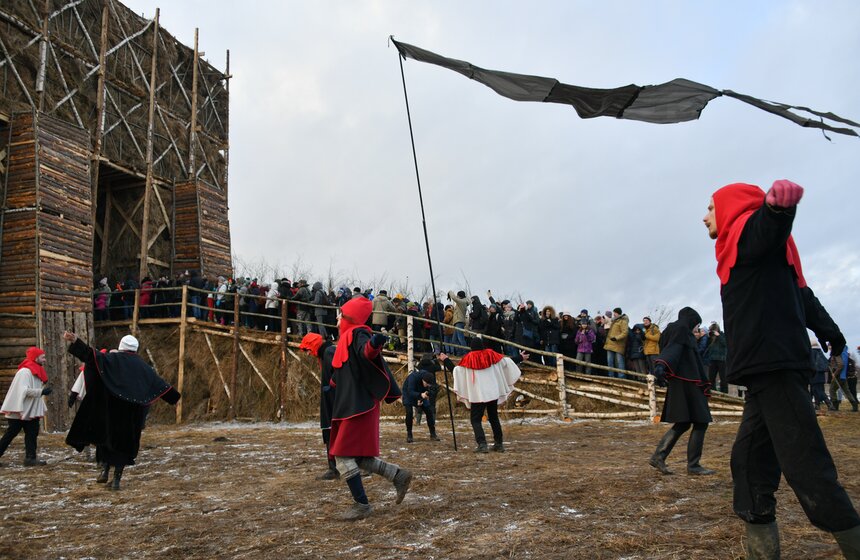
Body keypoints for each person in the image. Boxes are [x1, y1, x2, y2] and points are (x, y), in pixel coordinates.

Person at [703, 180, 860, 556]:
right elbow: (804, 297)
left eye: (710, 207)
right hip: (763, 372)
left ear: (730, 208)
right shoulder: (752, 256)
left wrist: (777, 210)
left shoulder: (748, 232)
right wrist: (834, 336)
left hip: (775, 366)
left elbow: (765, 231)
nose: (704, 215)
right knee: (749, 464)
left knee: (808, 469)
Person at [328, 297, 412, 520]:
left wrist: (375, 344)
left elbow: (366, 352)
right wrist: (333, 385)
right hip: (351, 405)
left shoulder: (358, 333)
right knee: (358, 457)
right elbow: (345, 370)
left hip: (359, 406)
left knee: (343, 456)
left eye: (340, 314)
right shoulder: (344, 339)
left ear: (349, 317)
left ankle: (361, 505)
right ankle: (398, 475)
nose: (337, 318)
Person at [63, 332, 181, 490]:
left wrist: (76, 341)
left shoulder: (111, 359)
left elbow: (91, 355)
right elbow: (160, 384)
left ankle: (104, 471)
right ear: (135, 349)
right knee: (124, 447)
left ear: (121, 346)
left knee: (106, 441)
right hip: (132, 415)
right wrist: (175, 398)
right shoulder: (144, 367)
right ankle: (116, 480)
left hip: (111, 411)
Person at [648, 307, 715, 476]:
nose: (696, 328)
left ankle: (659, 456)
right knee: (701, 420)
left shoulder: (673, 329)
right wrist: (662, 364)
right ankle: (693, 465)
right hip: (688, 382)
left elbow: (672, 348)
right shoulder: (681, 329)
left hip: (684, 381)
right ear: (691, 320)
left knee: (684, 422)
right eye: (696, 324)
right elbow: (673, 349)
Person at [452, 337, 527, 453]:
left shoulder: (468, 359)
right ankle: (499, 443)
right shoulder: (491, 355)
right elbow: (506, 363)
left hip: (478, 395)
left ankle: (482, 444)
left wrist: (446, 360)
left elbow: (457, 371)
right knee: (493, 418)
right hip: (492, 393)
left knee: (475, 420)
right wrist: (520, 357)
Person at [0, 347, 52, 466]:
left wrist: (40, 392)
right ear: (35, 357)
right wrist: (41, 392)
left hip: (30, 411)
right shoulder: (25, 372)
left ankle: (30, 458)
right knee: (10, 434)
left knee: (32, 434)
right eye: (42, 357)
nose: (44, 360)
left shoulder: (35, 370)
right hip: (19, 411)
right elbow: (24, 391)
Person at [299, 332, 339, 480]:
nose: (308, 354)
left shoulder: (329, 352)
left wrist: (332, 385)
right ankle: (334, 467)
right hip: (331, 398)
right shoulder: (326, 353)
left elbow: (339, 372)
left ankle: (335, 468)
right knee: (330, 432)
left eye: (308, 349)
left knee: (332, 432)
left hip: (333, 400)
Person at [401, 367, 439, 443]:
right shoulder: (413, 377)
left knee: (429, 411)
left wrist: (421, 398)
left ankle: (433, 434)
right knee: (409, 412)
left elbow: (432, 390)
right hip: (408, 394)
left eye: (429, 384)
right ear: (423, 380)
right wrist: (418, 398)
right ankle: (409, 434)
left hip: (420, 394)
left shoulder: (428, 377)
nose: (428, 385)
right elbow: (410, 391)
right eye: (426, 383)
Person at [829, 343, 858, 412]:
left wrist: (834, 374)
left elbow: (841, 365)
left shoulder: (837, 353)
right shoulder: (844, 352)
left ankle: (835, 406)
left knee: (832, 390)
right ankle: (855, 406)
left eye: (829, 346)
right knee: (847, 391)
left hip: (838, 375)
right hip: (843, 375)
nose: (829, 347)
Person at [604, 307, 629, 377]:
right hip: (610, 344)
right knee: (610, 362)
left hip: (618, 344)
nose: (613, 314)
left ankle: (621, 377)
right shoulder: (614, 321)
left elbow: (625, 332)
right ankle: (611, 376)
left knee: (619, 362)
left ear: (617, 313)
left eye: (614, 313)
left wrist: (616, 338)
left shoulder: (623, 321)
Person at [809, 340, 833, 411]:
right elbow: (826, 363)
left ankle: (829, 404)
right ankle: (817, 405)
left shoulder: (812, 352)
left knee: (818, 390)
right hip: (821, 374)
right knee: (816, 390)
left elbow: (810, 363)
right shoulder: (820, 352)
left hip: (815, 374)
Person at [705, 322, 728, 393]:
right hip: (712, 360)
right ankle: (713, 393)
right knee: (711, 378)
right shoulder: (710, 338)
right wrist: (708, 337)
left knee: (723, 379)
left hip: (722, 360)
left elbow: (725, 343)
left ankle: (724, 394)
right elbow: (707, 347)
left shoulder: (722, 335)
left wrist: (719, 336)